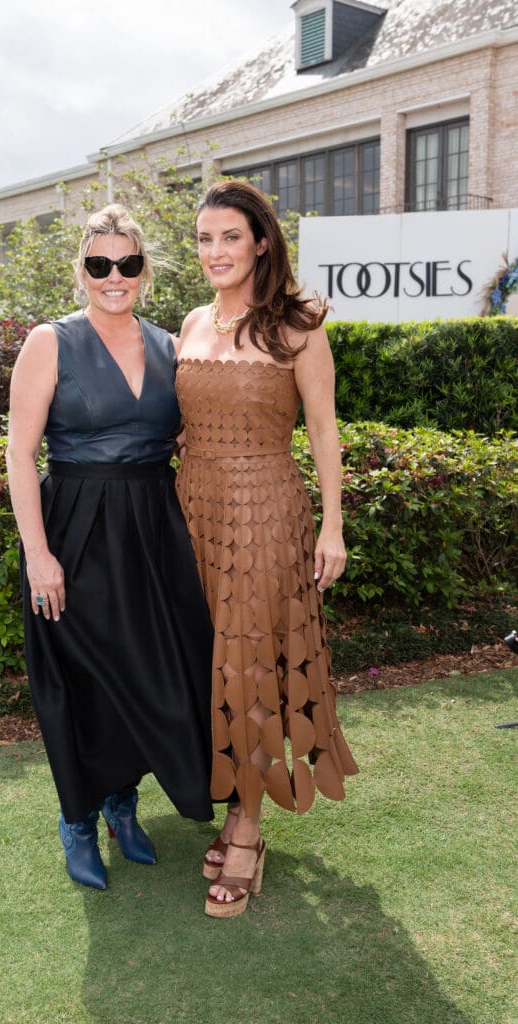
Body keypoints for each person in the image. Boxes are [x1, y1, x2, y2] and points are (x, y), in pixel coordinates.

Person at [6, 204, 214, 891]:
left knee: (157, 672)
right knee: (83, 682)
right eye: (100, 264)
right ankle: (78, 821)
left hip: (153, 527)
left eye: (127, 263)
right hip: (75, 524)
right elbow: (18, 452)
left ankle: (125, 809)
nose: (114, 276)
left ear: (144, 269)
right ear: (83, 271)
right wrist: (37, 553)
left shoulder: (167, 345)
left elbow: (184, 435)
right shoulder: (50, 341)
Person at [175, 180, 358, 917]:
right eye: (203, 239)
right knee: (206, 663)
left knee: (249, 666)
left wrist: (333, 526)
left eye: (228, 237)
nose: (215, 251)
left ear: (259, 242)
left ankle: (247, 827)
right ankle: (231, 803)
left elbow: (322, 431)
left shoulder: (298, 326)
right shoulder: (187, 322)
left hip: (263, 514)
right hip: (191, 512)